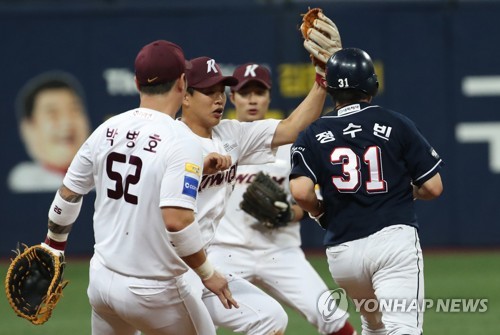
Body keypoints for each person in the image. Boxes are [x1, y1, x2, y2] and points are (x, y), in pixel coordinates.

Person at [41, 40, 237, 335]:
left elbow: (68, 194)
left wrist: (53, 248)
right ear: (183, 83)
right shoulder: (181, 140)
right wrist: (208, 275)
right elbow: (177, 220)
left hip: (103, 283)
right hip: (155, 291)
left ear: (136, 83)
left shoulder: (106, 129)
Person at [289, 48, 444, 335]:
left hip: (343, 254)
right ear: (372, 85)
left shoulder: (313, 133)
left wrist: (320, 211)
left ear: (331, 88)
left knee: (374, 326)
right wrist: (403, 191)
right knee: (402, 328)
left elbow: (300, 192)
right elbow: (433, 187)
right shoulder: (395, 123)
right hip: (392, 242)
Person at [178, 54, 330, 335]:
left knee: (272, 318)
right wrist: (199, 169)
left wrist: (321, 80)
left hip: (234, 256)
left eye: (220, 91)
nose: (218, 99)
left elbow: (293, 127)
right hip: (173, 263)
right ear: (184, 96)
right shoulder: (170, 139)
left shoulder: (232, 135)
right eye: (209, 92)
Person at [210, 62, 357, 335]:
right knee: (198, 319)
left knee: (329, 315)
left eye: (259, 92)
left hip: (279, 250)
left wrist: (290, 212)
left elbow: (315, 201)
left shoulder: (293, 145)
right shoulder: (219, 141)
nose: (252, 99)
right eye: (245, 93)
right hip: (225, 250)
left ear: (268, 96)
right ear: (233, 97)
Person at [8, 71, 91, 193]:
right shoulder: (25, 179)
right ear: (28, 128)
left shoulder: (106, 174)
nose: (66, 123)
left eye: (74, 110)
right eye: (53, 114)